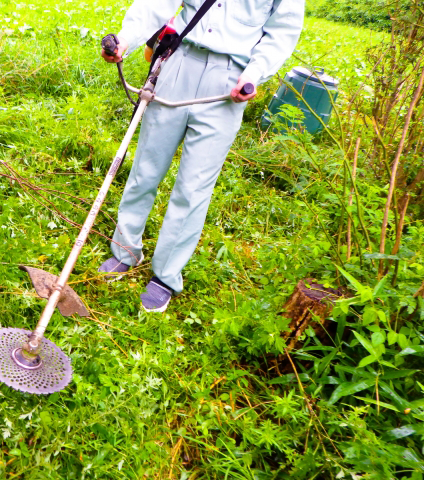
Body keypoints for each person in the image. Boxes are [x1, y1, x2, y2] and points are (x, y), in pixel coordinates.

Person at [99, 0, 305, 312]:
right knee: (146, 168)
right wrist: (126, 38)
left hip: (230, 78)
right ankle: (125, 250)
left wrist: (255, 72)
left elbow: (283, 30)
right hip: (178, 58)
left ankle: (166, 275)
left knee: (193, 186)